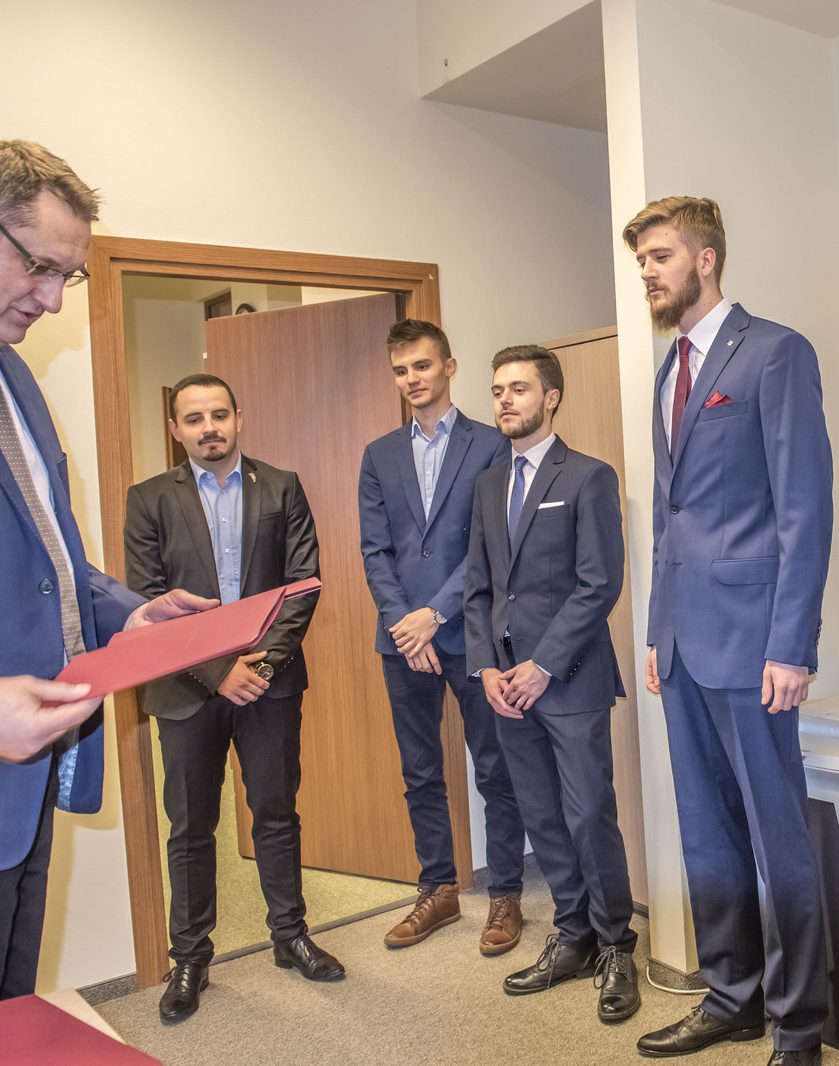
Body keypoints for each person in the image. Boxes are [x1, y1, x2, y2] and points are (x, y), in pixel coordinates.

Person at [0, 139, 213, 1037]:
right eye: (41, 267)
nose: (53, 301)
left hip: (16, 793)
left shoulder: (4, 367)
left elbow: (43, 553)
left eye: (70, 277)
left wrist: (129, 614)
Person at [624, 197, 832, 1066]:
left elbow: (804, 508)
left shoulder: (775, 352)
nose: (647, 272)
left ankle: (800, 1027)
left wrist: (792, 644)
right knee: (706, 831)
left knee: (779, 837)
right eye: (642, 259)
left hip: (754, 643)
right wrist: (655, 629)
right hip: (683, 642)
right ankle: (731, 997)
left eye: (660, 255)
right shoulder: (668, 370)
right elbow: (670, 517)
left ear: (705, 259)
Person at [124, 374, 342, 1020]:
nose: (209, 427)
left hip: (269, 684)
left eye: (219, 414)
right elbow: (147, 598)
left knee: (276, 813)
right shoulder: (148, 499)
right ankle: (190, 958)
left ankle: (290, 936)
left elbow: (303, 583)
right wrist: (219, 672)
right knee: (192, 827)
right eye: (194, 419)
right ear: (175, 429)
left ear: (238, 418)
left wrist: (262, 665)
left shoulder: (280, 486)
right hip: (185, 687)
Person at [463, 345, 640, 1024]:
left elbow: (599, 584)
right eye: (498, 390)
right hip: (506, 685)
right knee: (540, 814)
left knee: (588, 812)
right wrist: (487, 668)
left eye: (519, 389)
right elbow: (479, 587)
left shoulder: (589, 476)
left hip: (567, 679)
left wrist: (542, 665)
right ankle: (574, 935)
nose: (505, 400)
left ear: (551, 397)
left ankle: (616, 944)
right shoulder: (488, 484)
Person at [359, 319, 525, 957]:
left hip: (473, 635)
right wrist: (407, 624)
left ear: (449, 368)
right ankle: (438, 889)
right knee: (420, 771)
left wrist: (436, 613)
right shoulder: (379, 454)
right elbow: (375, 551)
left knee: (495, 768)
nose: (412, 379)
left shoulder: (491, 445)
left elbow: (492, 544)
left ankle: (505, 892)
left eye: (422, 366)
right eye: (401, 371)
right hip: (403, 643)